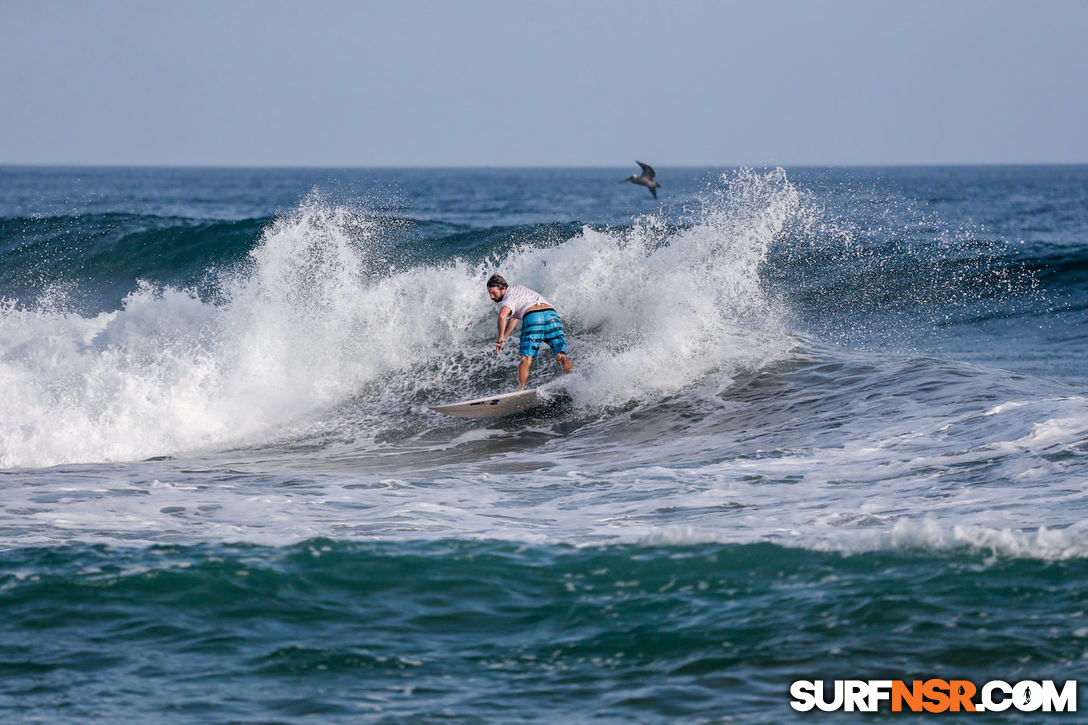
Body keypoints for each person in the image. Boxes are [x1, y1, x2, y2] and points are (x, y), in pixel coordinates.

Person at [486, 274, 574, 390]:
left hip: (533, 317)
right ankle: (573, 382)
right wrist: (505, 337)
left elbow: (502, 316)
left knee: (526, 359)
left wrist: (500, 337)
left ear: (503, 289)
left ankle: (521, 390)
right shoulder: (519, 289)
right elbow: (514, 318)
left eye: (493, 293)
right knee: (561, 355)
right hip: (551, 314)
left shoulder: (507, 299)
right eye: (489, 294)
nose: (491, 297)